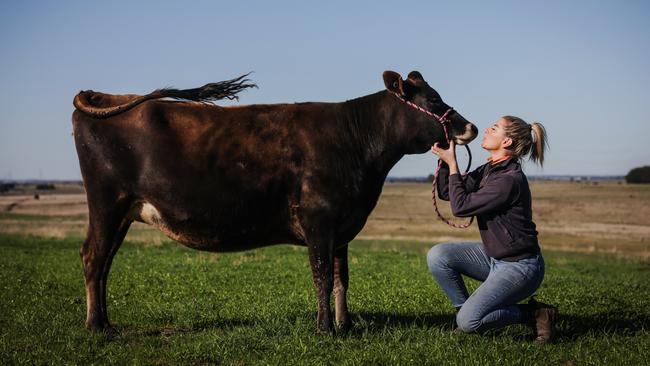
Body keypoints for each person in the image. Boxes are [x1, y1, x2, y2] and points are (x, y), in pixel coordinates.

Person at [427, 115, 557, 343]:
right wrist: (444, 159)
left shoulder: (509, 179)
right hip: (493, 258)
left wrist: (454, 164)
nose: (487, 129)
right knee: (438, 256)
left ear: (506, 142)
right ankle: (464, 313)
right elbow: (449, 193)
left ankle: (535, 313)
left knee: (470, 322)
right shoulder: (490, 169)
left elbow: (461, 207)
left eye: (495, 128)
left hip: (520, 268)